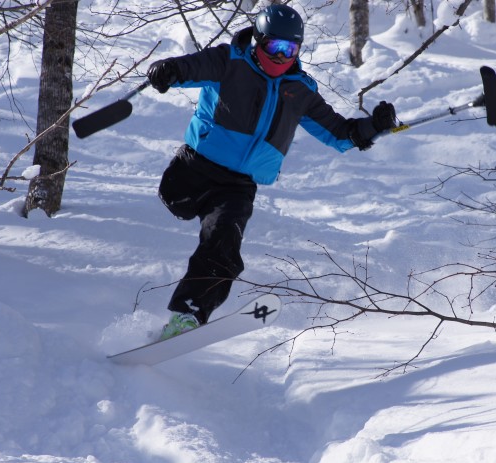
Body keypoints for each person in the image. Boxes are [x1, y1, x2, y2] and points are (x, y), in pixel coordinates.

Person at [147, 4, 397, 340]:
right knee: (174, 198)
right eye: (275, 48)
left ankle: (187, 316)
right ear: (258, 41)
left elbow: (339, 132)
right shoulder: (228, 61)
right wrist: (167, 71)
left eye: (290, 50)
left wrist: (371, 128)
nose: (282, 57)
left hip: (237, 186)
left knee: (223, 244)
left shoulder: (300, 89)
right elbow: (190, 67)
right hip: (194, 169)